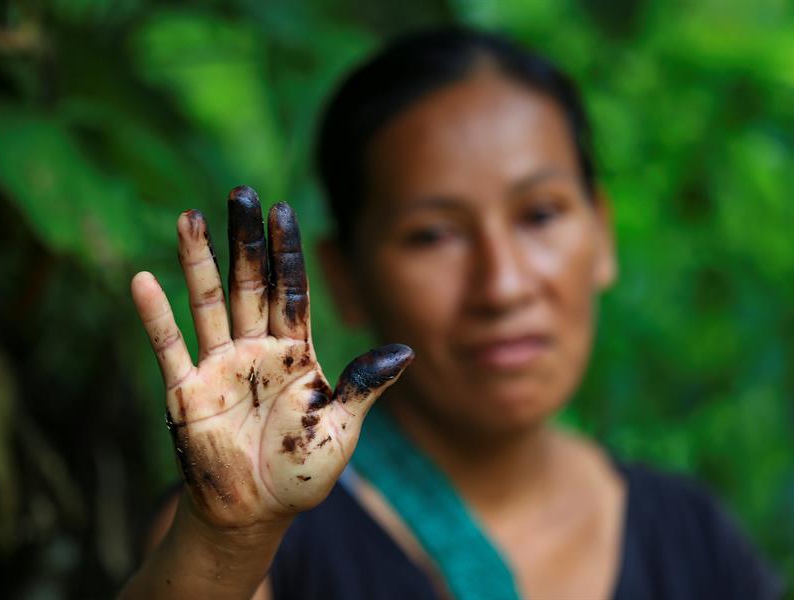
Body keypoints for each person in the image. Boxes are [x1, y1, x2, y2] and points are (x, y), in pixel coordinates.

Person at [119, 27, 783, 599]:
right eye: (432, 234)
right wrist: (230, 537)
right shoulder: (259, 527)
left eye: (541, 215)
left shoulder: (692, 537)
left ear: (602, 233)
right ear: (345, 274)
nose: (502, 284)